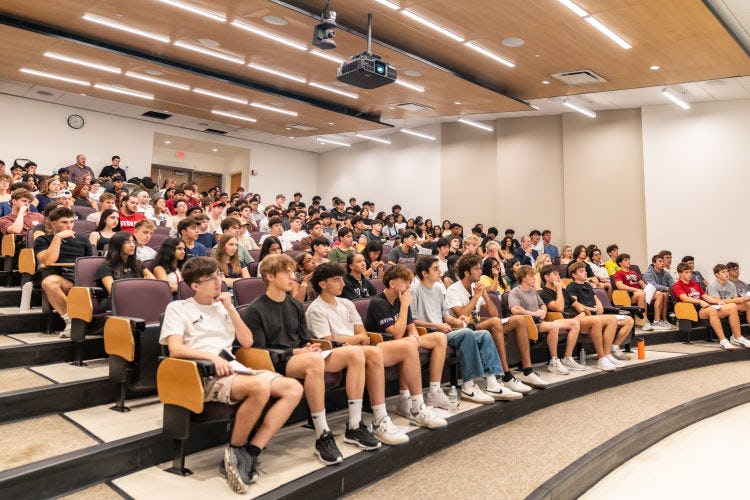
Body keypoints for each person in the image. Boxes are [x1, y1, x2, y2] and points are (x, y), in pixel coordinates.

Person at [160, 257, 302, 493]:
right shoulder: (178, 308)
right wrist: (212, 358)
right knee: (260, 387)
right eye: (212, 278)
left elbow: (247, 342)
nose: (219, 281)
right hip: (201, 372)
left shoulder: (224, 306)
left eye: (219, 275)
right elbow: (176, 349)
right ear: (195, 285)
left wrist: (229, 308)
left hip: (234, 368)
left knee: (293, 388)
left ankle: (252, 451)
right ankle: (236, 449)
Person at [242, 254, 379, 465]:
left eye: (292, 272)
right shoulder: (255, 309)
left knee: (355, 353)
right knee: (314, 361)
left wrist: (309, 346)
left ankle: (354, 425)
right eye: (286, 273)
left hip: (301, 356)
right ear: (269, 276)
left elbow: (304, 339)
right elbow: (260, 352)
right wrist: (296, 353)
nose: (293, 277)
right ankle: (322, 434)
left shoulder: (295, 305)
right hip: (278, 361)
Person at [306, 263, 434, 443]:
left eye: (342, 279)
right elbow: (329, 342)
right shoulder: (316, 309)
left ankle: (417, 407)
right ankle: (379, 419)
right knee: (374, 352)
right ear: (322, 284)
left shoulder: (347, 303)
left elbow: (364, 335)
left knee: (409, 347)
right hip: (336, 354)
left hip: (359, 349)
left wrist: (356, 339)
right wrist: (356, 339)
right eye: (336, 280)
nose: (342, 283)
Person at [411, 257, 521, 403]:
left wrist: (457, 320)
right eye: (436, 269)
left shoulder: (438, 288)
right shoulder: (415, 290)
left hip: (444, 331)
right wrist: (438, 326)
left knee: (484, 335)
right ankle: (468, 387)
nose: (440, 271)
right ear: (424, 273)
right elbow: (412, 321)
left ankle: (492, 383)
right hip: (430, 333)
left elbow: (445, 316)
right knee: (468, 333)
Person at [445, 254, 542, 392]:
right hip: (463, 328)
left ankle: (528, 370)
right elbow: (462, 315)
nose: (481, 271)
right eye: (477, 269)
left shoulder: (477, 287)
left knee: (519, 320)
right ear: (467, 273)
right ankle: (506, 375)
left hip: (478, 323)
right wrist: (477, 296)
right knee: (496, 322)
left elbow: (494, 313)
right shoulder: (453, 290)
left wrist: (484, 294)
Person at [364, 264, 452, 411]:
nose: (408, 285)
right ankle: (404, 399)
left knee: (439, 338)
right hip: (383, 345)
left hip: (405, 341)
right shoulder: (378, 302)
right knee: (409, 345)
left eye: (409, 282)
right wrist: (404, 306)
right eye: (405, 282)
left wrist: (415, 337)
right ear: (392, 283)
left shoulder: (401, 299)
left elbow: (411, 328)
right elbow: (395, 334)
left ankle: (434, 391)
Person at [508, 266, 583, 375]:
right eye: (531, 276)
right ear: (524, 278)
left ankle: (567, 358)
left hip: (539, 321)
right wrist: (533, 313)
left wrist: (543, 311)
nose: (534, 278)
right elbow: (515, 309)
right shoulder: (515, 292)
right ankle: (554, 361)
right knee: (553, 326)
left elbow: (543, 305)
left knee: (574, 323)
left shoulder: (533, 291)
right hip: (528, 323)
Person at [538, 265, 614, 371]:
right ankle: (601, 359)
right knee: (595, 321)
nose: (558, 276)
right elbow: (559, 308)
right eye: (555, 274)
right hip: (561, 320)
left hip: (575, 318)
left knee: (611, 319)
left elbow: (576, 304)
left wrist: (582, 312)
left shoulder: (564, 292)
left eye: (558, 274)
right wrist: (559, 289)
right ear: (546, 277)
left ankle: (607, 355)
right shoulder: (544, 293)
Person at [34, 207, 94, 337]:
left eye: (71, 222)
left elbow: (90, 261)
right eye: (64, 222)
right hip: (62, 278)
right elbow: (49, 260)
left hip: (82, 277)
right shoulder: (43, 240)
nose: (69, 225)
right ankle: (73, 320)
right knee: (49, 283)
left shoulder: (82, 239)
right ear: (53, 223)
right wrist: (57, 238)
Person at [566, 262, 632, 367]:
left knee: (628, 320)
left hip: (595, 314)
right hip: (585, 316)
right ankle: (605, 355)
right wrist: (591, 308)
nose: (585, 273)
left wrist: (600, 305)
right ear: (574, 275)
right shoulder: (571, 286)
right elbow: (576, 304)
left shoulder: (587, 284)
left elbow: (595, 298)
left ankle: (613, 349)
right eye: (581, 271)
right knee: (611, 319)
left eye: (585, 270)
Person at [673, 262, 748, 349]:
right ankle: (723, 340)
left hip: (703, 308)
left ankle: (737, 337)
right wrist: (700, 302)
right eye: (686, 272)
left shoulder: (694, 284)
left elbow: (706, 297)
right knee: (712, 310)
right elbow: (685, 298)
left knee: (732, 306)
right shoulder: (677, 285)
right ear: (680, 274)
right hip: (691, 310)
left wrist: (717, 302)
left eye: (690, 272)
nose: (689, 274)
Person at [613, 253, 669, 331]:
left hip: (640, 293)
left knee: (659, 294)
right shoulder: (618, 273)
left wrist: (650, 290)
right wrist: (635, 290)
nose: (628, 261)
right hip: (629, 295)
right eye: (625, 260)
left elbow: (642, 284)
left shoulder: (633, 272)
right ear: (620, 263)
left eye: (629, 259)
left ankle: (656, 321)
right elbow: (620, 286)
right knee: (641, 294)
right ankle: (645, 322)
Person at [94, 231, 155, 296]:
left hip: (139, 298)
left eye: (133, 242)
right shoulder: (106, 267)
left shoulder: (137, 263)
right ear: (117, 245)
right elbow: (114, 293)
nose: (132, 245)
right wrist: (142, 286)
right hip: (116, 302)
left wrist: (148, 284)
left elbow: (154, 283)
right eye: (127, 242)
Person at [707, 264, 750, 329]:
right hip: (717, 307)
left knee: (748, 304)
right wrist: (735, 300)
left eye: (727, 271)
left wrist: (743, 299)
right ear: (717, 275)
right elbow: (717, 302)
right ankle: (736, 335)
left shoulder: (731, 284)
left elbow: (736, 299)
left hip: (729, 304)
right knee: (732, 306)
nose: (726, 274)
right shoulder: (712, 285)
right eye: (723, 272)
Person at [642, 254, 674, 330]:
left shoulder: (666, 273)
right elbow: (653, 286)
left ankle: (664, 320)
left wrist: (671, 289)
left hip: (660, 293)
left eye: (663, 261)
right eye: (660, 261)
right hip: (648, 294)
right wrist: (667, 288)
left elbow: (672, 284)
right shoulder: (648, 273)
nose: (662, 263)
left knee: (665, 294)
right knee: (661, 293)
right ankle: (656, 321)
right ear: (654, 263)